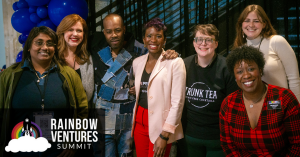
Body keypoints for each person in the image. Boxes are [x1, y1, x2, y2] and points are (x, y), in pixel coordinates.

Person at [90, 14, 178, 157]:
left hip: (128, 114)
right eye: (109, 31)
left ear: (124, 29)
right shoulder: (95, 49)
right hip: (102, 114)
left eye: (117, 30)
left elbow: (159, 58)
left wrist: (170, 53)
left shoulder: (140, 50)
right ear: (103, 32)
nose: (113, 35)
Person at [0, 26, 88, 157]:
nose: (45, 47)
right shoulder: (10, 75)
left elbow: (82, 110)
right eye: (39, 42)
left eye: (50, 43)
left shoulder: (69, 75)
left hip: (58, 151)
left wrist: (73, 142)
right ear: (29, 46)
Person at [220, 45, 300, 156]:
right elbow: (227, 144)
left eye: (251, 69)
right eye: (239, 72)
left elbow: (297, 144)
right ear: (235, 76)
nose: (246, 75)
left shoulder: (284, 98)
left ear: (260, 70)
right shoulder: (228, 103)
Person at [178, 24, 238, 157]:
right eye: (199, 39)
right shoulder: (183, 65)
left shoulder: (227, 68)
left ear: (216, 44)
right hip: (190, 136)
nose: (203, 43)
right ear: (194, 43)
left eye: (208, 40)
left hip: (217, 138)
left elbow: (233, 107)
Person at [131, 18, 186, 157]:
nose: (153, 40)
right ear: (144, 40)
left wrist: (165, 135)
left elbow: (178, 102)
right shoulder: (137, 63)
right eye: (149, 36)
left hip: (160, 126)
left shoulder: (175, 62)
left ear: (165, 40)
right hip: (139, 123)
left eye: (158, 36)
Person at [233, 4, 300, 101]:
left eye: (256, 21)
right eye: (247, 20)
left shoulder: (276, 42)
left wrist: (296, 108)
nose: (251, 25)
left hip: (279, 104)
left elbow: (294, 79)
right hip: (253, 106)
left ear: (264, 24)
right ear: (241, 24)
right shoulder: (239, 49)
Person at [56, 14, 94, 103]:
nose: (75, 34)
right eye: (70, 30)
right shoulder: (52, 57)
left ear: (83, 34)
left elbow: (89, 93)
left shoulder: (87, 59)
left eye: (79, 30)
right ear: (62, 32)